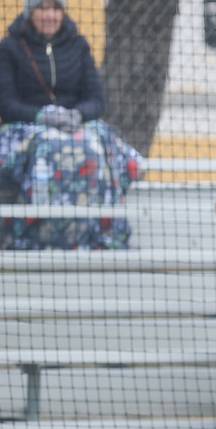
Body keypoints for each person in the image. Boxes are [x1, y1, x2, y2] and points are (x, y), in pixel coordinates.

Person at [0, 0, 141, 249]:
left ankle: (99, 232)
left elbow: (97, 101)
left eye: (56, 9)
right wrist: (42, 116)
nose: (50, 16)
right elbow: (7, 105)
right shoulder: (10, 47)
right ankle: (35, 233)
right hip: (27, 126)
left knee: (94, 145)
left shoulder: (78, 45)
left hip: (75, 125)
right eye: (43, 8)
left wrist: (77, 115)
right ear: (30, 12)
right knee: (49, 147)